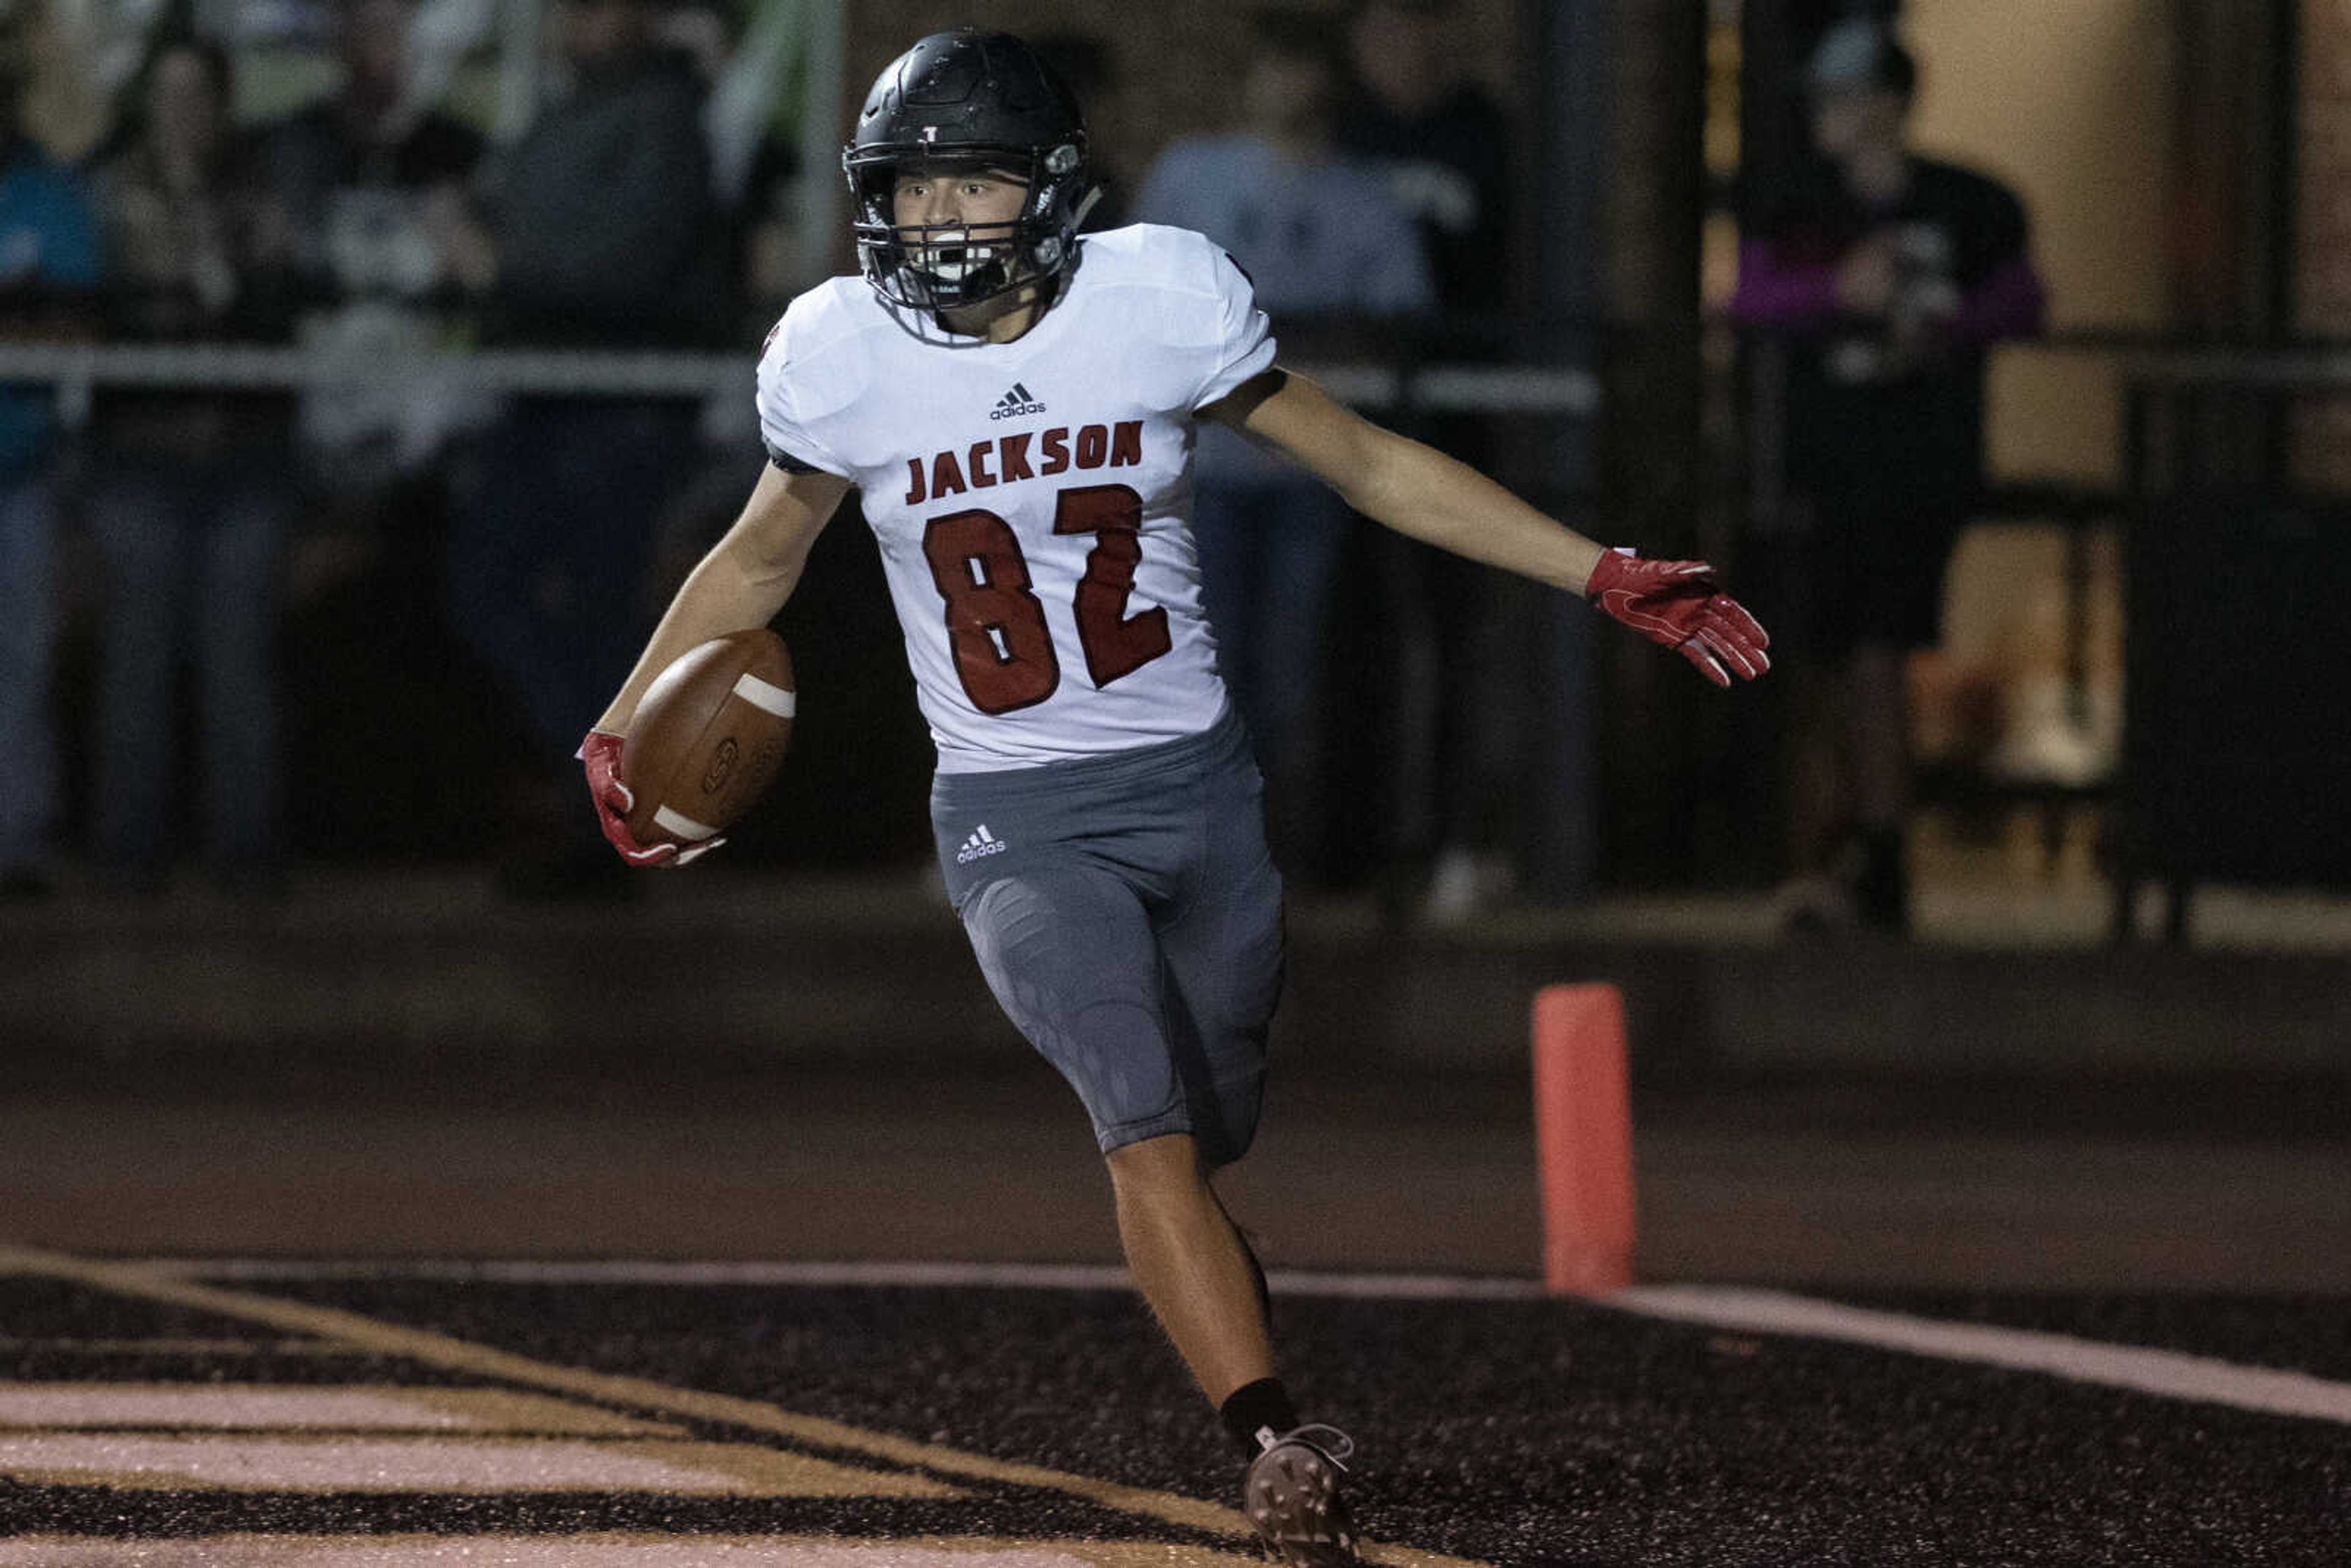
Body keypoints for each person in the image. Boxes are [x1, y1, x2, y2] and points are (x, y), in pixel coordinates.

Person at [578, 31, 1767, 1564]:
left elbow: (1371, 465)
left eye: (974, 179)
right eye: (914, 185)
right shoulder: (839, 351)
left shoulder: (1158, 297)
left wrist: (1598, 572)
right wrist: (619, 725)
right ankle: (1272, 1438)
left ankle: (1226, 1322)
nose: (938, 217)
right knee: (1137, 1131)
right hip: (1013, 814)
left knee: (1203, 1141)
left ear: (1054, 189)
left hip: (1199, 797)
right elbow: (757, 560)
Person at [1730, 18, 2044, 932]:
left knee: (1877, 645)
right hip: (1821, 465)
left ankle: (1879, 848)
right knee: (1822, 656)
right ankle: (1848, 847)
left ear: (1893, 105)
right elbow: (1747, 298)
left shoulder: (1970, 202)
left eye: (1847, 97)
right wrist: (1838, 293)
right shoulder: (1796, 201)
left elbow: (2025, 300)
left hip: (1917, 463)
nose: (1829, 116)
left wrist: (1941, 323)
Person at [1131, 9, 1432, 876]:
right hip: (1200, 471)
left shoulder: (1364, 199)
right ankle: (1201, 851)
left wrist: (1270, 354)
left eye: (1306, 68)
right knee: (1201, 660)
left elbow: (1394, 328)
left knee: (1292, 671)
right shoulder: (1192, 175)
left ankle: (1280, 860)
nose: (1290, 86)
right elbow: (1139, 299)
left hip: (1310, 473)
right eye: (1277, 66)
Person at [440, 0, 724, 896]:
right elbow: (521, 221)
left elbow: (623, 264)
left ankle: (599, 827)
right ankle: (597, 799)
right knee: (494, 586)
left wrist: (497, 265)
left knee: (600, 621)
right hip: (543, 399)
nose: (580, 17)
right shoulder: (561, 115)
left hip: (621, 409)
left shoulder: (668, 122)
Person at [84, 36, 295, 893]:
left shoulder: (257, 196)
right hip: (139, 461)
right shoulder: (107, 197)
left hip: (242, 464)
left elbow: (279, 309)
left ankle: (245, 856)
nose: (182, 113)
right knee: (136, 658)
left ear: (221, 104)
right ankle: (127, 855)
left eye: (197, 94)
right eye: (167, 94)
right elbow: (97, 322)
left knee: (237, 661)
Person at [1335, 0, 1522, 918]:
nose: (1398, 49)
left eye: (1413, 28)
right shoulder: (1343, 131)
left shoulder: (1481, 134)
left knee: (1453, 633)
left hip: (1458, 419)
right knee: (1353, 631)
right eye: (1381, 32)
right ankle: (1352, 842)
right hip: (1345, 424)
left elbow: (1522, 260)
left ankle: (1450, 834)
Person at [0, 28, 98, 899]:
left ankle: (18, 841)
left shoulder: (46, 193)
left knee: (21, 660)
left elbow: (76, 318)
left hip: (21, 470)